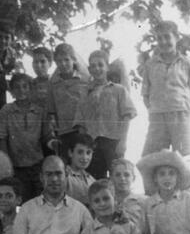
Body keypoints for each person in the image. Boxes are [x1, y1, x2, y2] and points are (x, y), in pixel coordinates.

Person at [140, 20, 190, 156]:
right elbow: (145, 93)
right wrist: (152, 109)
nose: (163, 42)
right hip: (157, 116)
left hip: (181, 115)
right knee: (151, 157)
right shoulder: (150, 64)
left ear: (176, 37)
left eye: (167, 37)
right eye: (159, 38)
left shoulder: (187, 63)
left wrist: (189, 109)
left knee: (184, 158)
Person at [0, 73, 55, 202]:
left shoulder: (39, 111)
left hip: (37, 165)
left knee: (42, 200)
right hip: (17, 166)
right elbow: (1, 138)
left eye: (25, 86)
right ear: (11, 91)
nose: (21, 90)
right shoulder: (6, 111)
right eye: (17, 87)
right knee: (24, 202)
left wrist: (52, 142)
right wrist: (7, 165)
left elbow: (46, 136)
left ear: (30, 89)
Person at [81, 50, 137, 179]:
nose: (97, 69)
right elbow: (81, 121)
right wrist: (85, 147)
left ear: (107, 67)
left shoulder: (119, 90)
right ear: (89, 69)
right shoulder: (86, 92)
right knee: (95, 180)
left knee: (117, 177)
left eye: (100, 65)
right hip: (93, 143)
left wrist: (123, 142)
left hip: (113, 141)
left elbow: (127, 116)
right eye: (93, 66)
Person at [46, 43, 90, 136]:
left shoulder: (85, 80)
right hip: (64, 132)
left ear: (74, 60)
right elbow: (52, 111)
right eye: (59, 61)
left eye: (66, 60)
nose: (63, 64)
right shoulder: (53, 84)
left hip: (84, 130)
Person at [60, 129, 96, 207]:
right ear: (70, 153)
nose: (85, 157)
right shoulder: (64, 176)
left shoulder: (92, 180)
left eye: (88, 153)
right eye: (80, 152)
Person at [110, 158, 146, 229]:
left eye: (126, 175)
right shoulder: (105, 201)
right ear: (111, 178)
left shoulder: (143, 201)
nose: (122, 178)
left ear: (133, 178)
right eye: (117, 175)